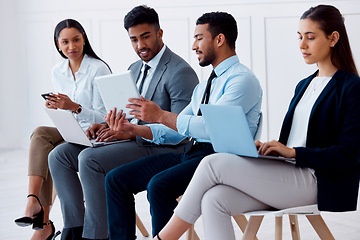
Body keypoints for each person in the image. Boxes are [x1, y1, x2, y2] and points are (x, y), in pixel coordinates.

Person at [151, 5, 360, 240]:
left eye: (310, 37)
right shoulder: (304, 85)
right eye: (300, 37)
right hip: (289, 173)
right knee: (214, 198)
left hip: (317, 181)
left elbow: (350, 154)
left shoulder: (352, 87)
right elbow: (297, 140)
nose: (302, 45)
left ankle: (163, 238)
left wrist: (292, 152)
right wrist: (272, 149)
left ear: (333, 38)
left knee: (212, 163)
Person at [104, 11, 263, 239]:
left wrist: (160, 115)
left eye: (199, 38)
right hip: (194, 153)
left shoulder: (241, 80)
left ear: (219, 40)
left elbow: (212, 128)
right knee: (116, 179)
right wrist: (133, 130)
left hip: (222, 159)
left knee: (159, 185)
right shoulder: (205, 86)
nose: (193, 46)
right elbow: (177, 132)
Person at [48, 5, 198, 240]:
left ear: (160, 33)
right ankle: (73, 229)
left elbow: (182, 131)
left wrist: (132, 132)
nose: (140, 46)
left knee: (89, 159)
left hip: (163, 147)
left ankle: (96, 235)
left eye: (146, 36)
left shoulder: (180, 72)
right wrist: (108, 126)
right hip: (132, 139)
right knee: (60, 155)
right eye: (134, 40)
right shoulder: (134, 68)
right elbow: (127, 114)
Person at [14, 19, 111, 240]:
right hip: (70, 132)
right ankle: (33, 201)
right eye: (65, 42)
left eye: (76, 40)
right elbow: (64, 114)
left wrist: (74, 107)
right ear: (58, 45)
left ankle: (42, 221)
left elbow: (106, 117)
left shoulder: (99, 69)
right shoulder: (58, 71)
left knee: (51, 153)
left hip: (95, 136)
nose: (71, 47)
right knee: (40, 133)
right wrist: (56, 109)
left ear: (84, 39)